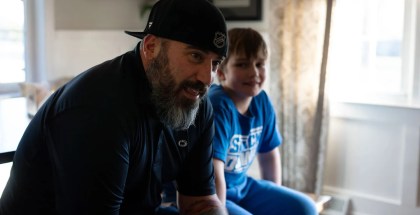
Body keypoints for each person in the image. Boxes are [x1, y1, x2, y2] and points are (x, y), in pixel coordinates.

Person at [0, 0, 229, 214]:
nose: (207, 78)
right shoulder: (99, 110)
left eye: (215, 63)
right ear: (151, 47)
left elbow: (200, 201)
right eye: (195, 56)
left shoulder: (193, 101)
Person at [209, 28, 318, 215]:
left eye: (260, 64)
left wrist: (276, 198)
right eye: (242, 65)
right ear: (221, 73)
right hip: (212, 193)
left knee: (306, 208)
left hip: (242, 186)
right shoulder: (218, 106)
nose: (254, 72)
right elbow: (214, 170)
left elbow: (269, 156)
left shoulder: (262, 101)